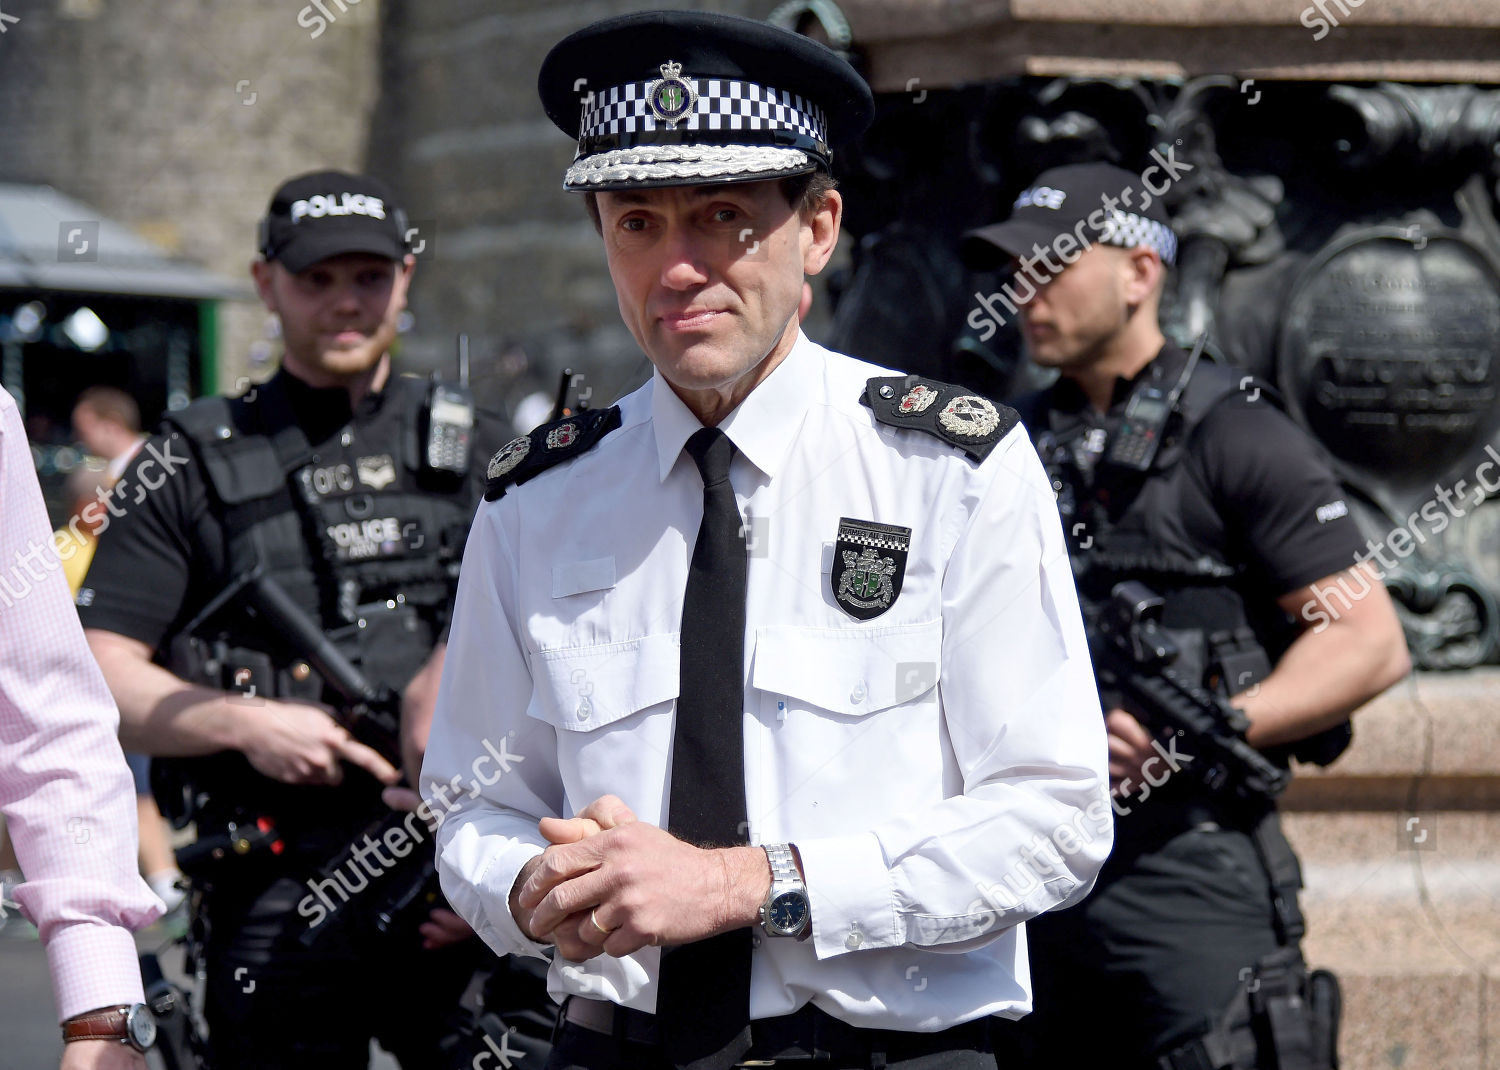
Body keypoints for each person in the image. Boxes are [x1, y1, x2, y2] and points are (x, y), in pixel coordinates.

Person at [424, 12, 1111, 1070]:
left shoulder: (950, 472)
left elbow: (1056, 817)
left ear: (820, 226)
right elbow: (476, 797)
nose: (678, 267)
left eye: (724, 217)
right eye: (637, 221)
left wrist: (752, 883)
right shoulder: (536, 500)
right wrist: (529, 887)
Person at [78, 170, 541, 1069]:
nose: (345, 302)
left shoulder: (492, 450)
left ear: (406, 278)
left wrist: (488, 860)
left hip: (462, 880)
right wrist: (245, 722)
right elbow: (98, 674)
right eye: (315, 279)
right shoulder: (186, 460)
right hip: (275, 890)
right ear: (265, 283)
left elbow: (584, 654)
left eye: (368, 277)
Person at [961, 161, 1412, 1069]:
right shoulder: (1002, 443)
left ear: (1140, 272)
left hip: (1187, 869)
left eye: (1053, 266)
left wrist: (1215, 726)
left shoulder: (1235, 430)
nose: (1026, 290)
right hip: (1027, 873)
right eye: (1017, 270)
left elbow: (1368, 642)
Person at [0, 382, 165, 1069]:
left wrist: (103, 1013)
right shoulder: (66, 549)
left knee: (142, 793)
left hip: (109, 705)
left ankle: (164, 877)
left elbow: (45, 706)